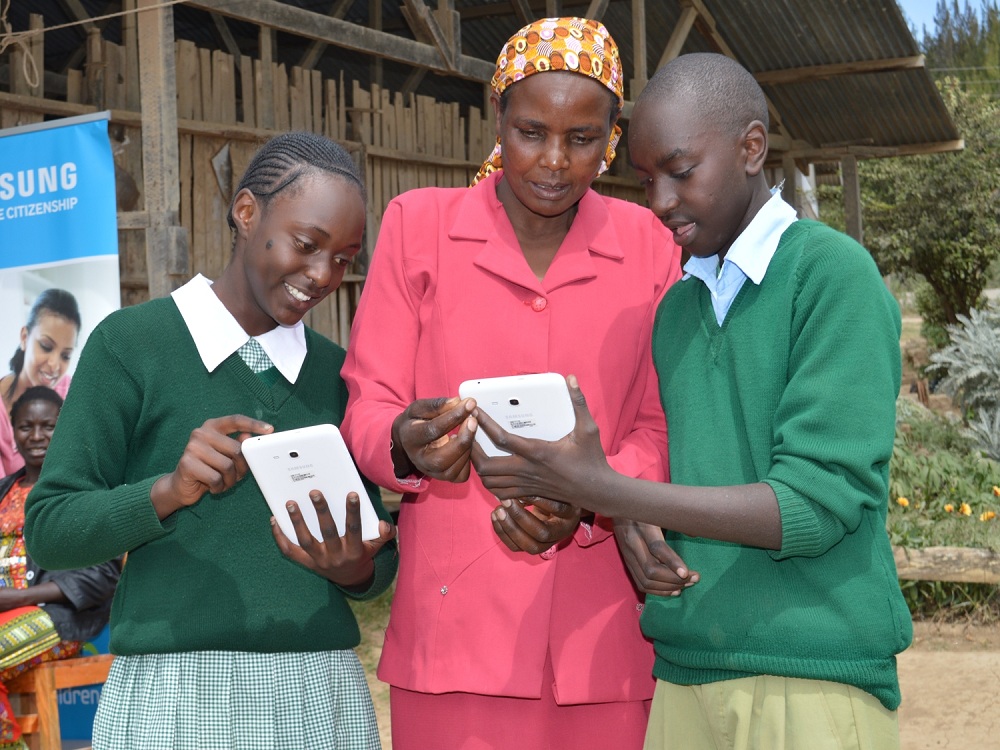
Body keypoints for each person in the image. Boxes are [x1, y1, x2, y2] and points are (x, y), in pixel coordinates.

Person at [472, 52, 913, 750]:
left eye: (681, 172)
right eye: (647, 180)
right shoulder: (677, 310)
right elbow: (686, 477)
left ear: (750, 148)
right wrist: (624, 522)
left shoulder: (831, 276)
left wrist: (612, 492)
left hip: (810, 676)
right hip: (682, 673)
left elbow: (815, 505)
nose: (661, 203)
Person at [340, 16, 685, 750]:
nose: (554, 161)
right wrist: (405, 445)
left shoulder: (648, 247)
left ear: (612, 137)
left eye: (582, 138)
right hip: (454, 631)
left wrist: (596, 499)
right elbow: (368, 403)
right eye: (531, 131)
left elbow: (659, 427)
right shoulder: (419, 227)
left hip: (602, 646)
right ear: (496, 118)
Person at [24, 132, 398, 750]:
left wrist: (356, 566)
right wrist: (166, 491)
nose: (322, 274)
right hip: (175, 694)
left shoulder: (339, 375)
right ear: (246, 213)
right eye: (307, 245)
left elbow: (376, 557)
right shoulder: (132, 345)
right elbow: (52, 527)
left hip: (320, 691)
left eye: (345, 259)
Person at [0, 386, 120, 750]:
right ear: (13, 432)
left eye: (48, 426)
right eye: (25, 427)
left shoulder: (84, 490)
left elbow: (104, 576)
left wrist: (18, 597)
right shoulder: (4, 489)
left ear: (65, 427)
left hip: (56, 617)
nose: (36, 436)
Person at [0, 289, 80, 476]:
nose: (54, 365)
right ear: (24, 338)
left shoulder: (70, 391)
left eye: (65, 355)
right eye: (46, 346)